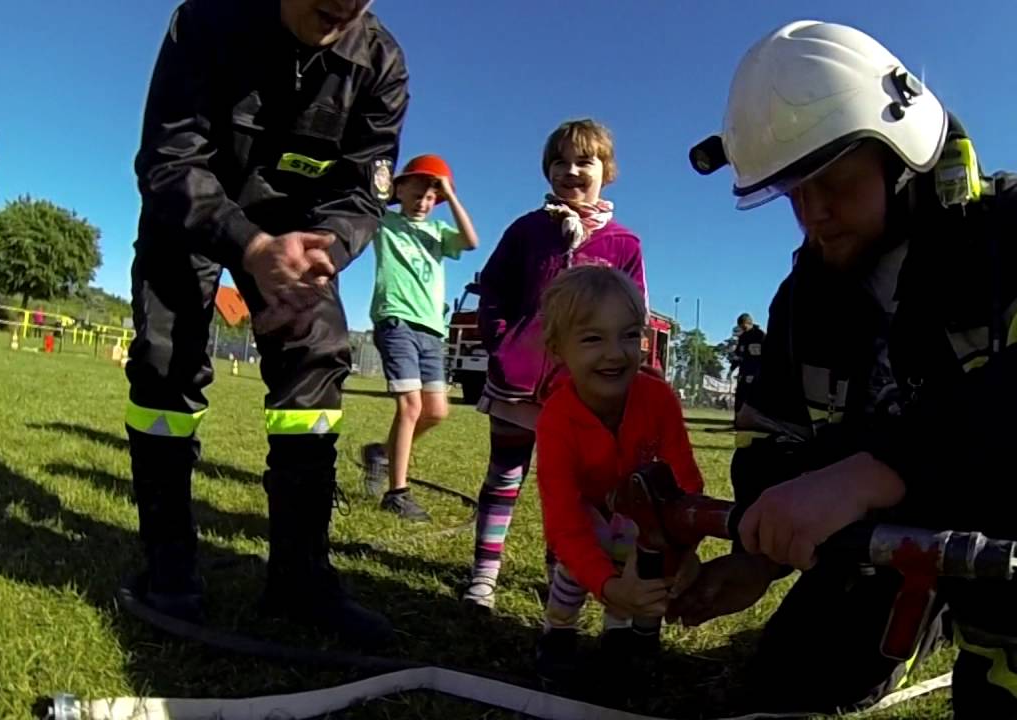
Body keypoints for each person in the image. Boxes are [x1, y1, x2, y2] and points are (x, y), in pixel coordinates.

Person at [669, 21, 1017, 719]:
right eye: (793, 195)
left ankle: (1009, 680)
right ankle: (906, 622)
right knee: (793, 680)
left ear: (901, 155)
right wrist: (761, 553)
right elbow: (769, 443)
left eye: (834, 181)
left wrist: (867, 474)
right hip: (882, 529)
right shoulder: (802, 303)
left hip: (1008, 503)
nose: (816, 216)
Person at [124, 0, 407, 649]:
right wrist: (249, 247)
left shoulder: (381, 64)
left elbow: (364, 192)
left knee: (316, 365)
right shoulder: (208, 20)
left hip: (299, 235)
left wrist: (324, 254)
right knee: (166, 368)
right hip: (190, 214)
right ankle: (170, 564)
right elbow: (168, 158)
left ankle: (300, 577)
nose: (340, 5)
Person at [462, 119, 647, 611]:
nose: (570, 171)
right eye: (559, 162)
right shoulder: (527, 230)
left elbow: (635, 316)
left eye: (583, 161)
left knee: (567, 490)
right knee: (503, 477)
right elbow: (493, 290)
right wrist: (502, 343)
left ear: (606, 170)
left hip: (580, 396)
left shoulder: (624, 244)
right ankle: (483, 576)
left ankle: (559, 575)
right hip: (517, 384)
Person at [531, 265, 703, 693]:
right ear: (557, 349)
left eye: (629, 335)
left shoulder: (658, 398)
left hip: (636, 513)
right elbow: (564, 519)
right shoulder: (556, 418)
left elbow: (686, 484)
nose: (616, 353)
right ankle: (559, 632)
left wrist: (681, 553)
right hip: (589, 518)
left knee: (647, 558)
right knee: (576, 561)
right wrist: (607, 585)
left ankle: (635, 637)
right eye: (593, 338)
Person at [361, 154, 478, 521]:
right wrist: (385, 184)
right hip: (396, 321)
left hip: (431, 329)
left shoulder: (439, 233)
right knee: (410, 407)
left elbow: (471, 241)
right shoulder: (386, 221)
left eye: (432, 197)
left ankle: (381, 453)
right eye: (418, 191)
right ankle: (397, 493)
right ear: (400, 190)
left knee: (437, 412)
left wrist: (451, 195)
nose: (424, 201)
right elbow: (370, 199)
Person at [727, 313, 764, 414]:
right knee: (740, 395)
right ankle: (738, 417)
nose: (742, 328)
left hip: (755, 372)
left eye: (743, 326)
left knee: (752, 395)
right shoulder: (742, 338)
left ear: (749, 323)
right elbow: (738, 355)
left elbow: (765, 356)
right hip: (743, 372)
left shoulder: (760, 336)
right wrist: (731, 369)